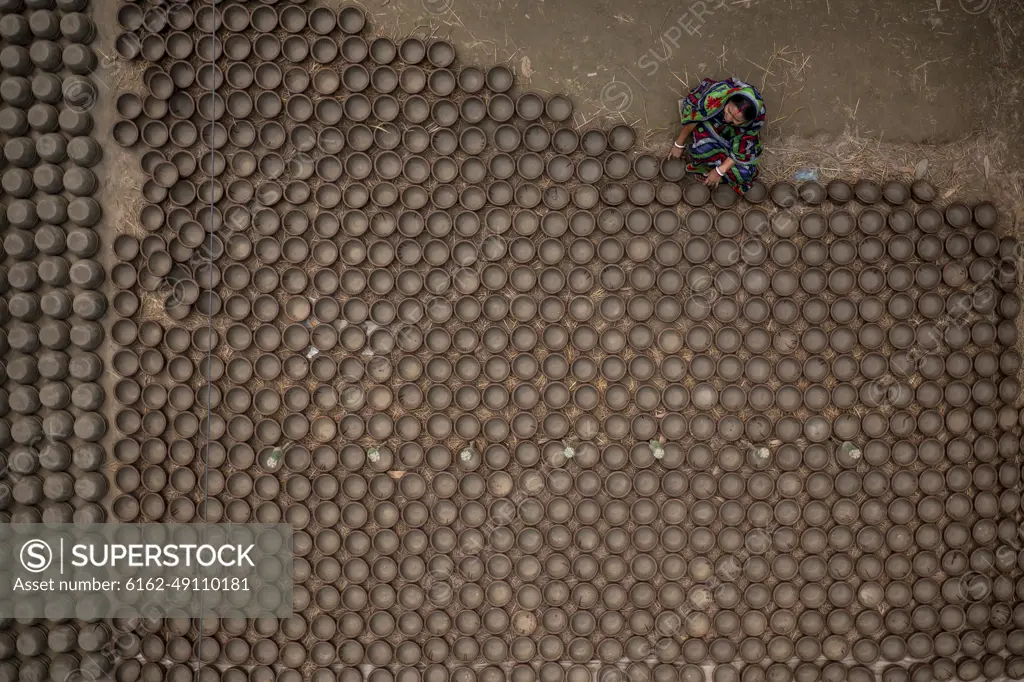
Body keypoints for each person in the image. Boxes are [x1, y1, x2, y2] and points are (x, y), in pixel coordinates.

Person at [668, 77, 766, 194]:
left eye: (736, 119)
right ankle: (710, 164)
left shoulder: (756, 119)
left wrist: (720, 171)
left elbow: (742, 148)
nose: (729, 118)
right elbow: (695, 117)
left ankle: (714, 170)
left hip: (734, 136)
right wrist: (679, 144)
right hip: (713, 117)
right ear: (728, 100)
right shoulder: (718, 95)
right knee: (701, 148)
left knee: (745, 174)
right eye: (729, 111)